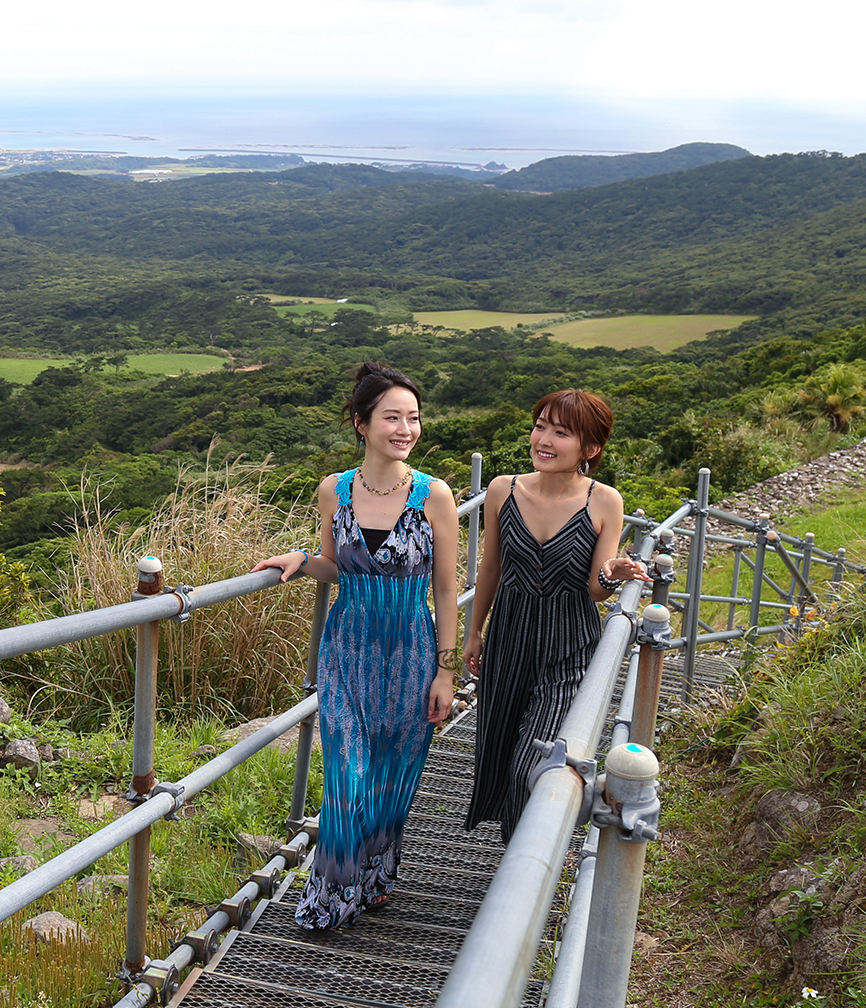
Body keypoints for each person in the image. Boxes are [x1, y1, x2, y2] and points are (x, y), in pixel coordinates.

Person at [252, 362, 459, 930]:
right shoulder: (333, 491)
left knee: (393, 778)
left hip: (412, 652)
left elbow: (446, 587)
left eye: (414, 418)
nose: (406, 428)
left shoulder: (433, 495)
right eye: (392, 417)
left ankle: (374, 879)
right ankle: (329, 897)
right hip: (347, 651)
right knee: (347, 775)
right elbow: (334, 565)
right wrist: (300, 559)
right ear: (362, 423)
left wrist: (445, 673)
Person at [461, 389, 650, 841]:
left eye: (561, 432)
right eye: (540, 425)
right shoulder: (503, 489)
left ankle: (524, 867)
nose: (543, 438)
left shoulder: (604, 500)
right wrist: (474, 634)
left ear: (590, 448)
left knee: (535, 760)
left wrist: (613, 574)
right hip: (507, 644)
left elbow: (594, 586)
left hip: (568, 649)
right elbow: (491, 566)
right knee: (502, 752)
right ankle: (515, 853)